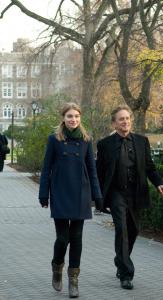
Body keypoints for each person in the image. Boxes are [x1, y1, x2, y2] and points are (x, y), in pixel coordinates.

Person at [96, 105, 163, 290]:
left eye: (127, 118)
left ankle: (121, 258)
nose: (125, 121)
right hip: (116, 193)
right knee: (122, 229)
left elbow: (149, 166)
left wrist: (158, 182)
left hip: (136, 193)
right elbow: (100, 172)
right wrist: (97, 198)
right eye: (121, 119)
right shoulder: (105, 144)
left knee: (134, 230)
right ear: (114, 123)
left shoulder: (142, 141)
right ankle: (126, 274)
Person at [39, 102, 102, 298]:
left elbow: (92, 170)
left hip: (80, 194)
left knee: (76, 239)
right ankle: (57, 266)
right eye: (69, 116)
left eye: (76, 116)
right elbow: (46, 167)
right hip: (59, 192)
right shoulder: (54, 139)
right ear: (63, 118)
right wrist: (43, 193)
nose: (73, 119)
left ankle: (73, 279)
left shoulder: (86, 140)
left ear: (80, 118)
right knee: (62, 238)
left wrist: (97, 195)